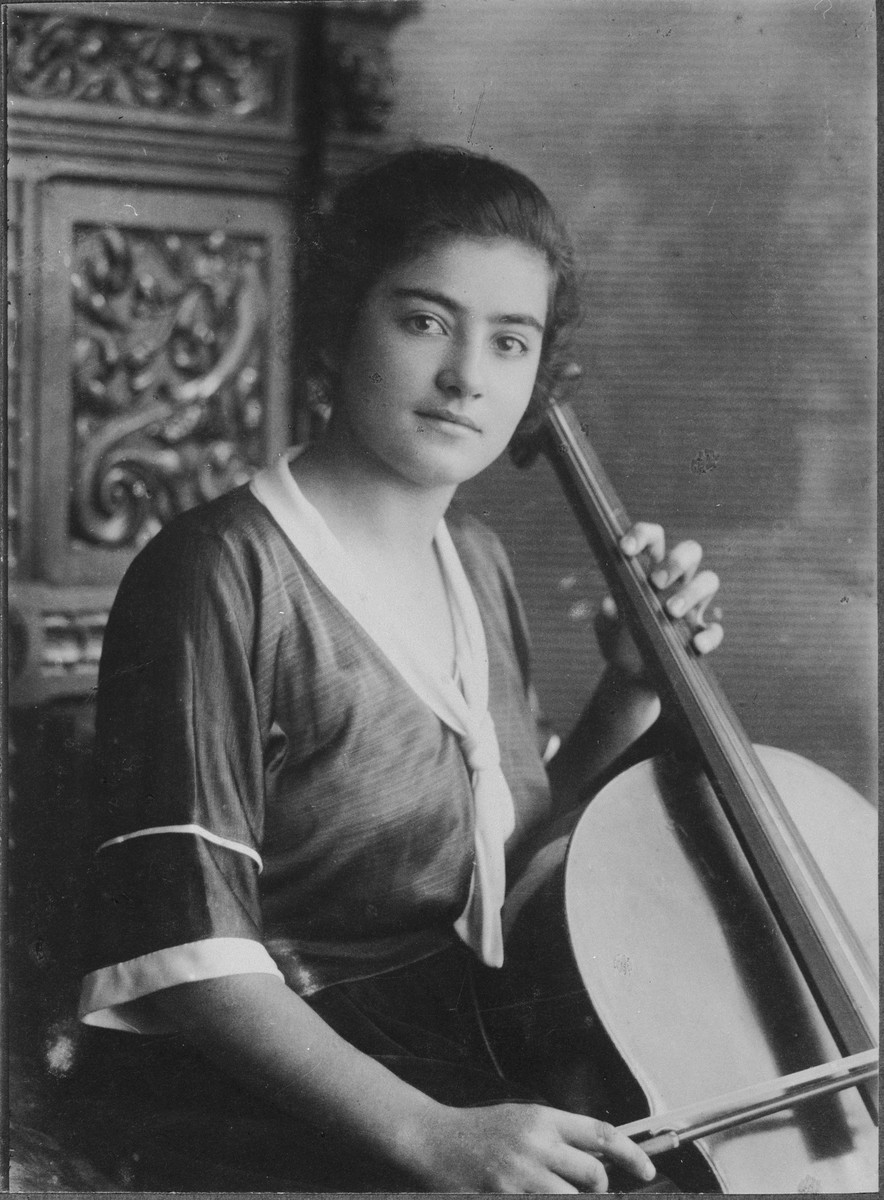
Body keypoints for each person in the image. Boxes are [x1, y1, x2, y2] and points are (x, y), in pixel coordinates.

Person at [76, 146, 723, 1193]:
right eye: (423, 320)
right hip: (252, 1095)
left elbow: (496, 863)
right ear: (340, 321)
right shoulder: (213, 572)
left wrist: (631, 688)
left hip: (441, 1047)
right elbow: (189, 957)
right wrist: (434, 1136)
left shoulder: (474, 559)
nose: (467, 375)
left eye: (508, 342)